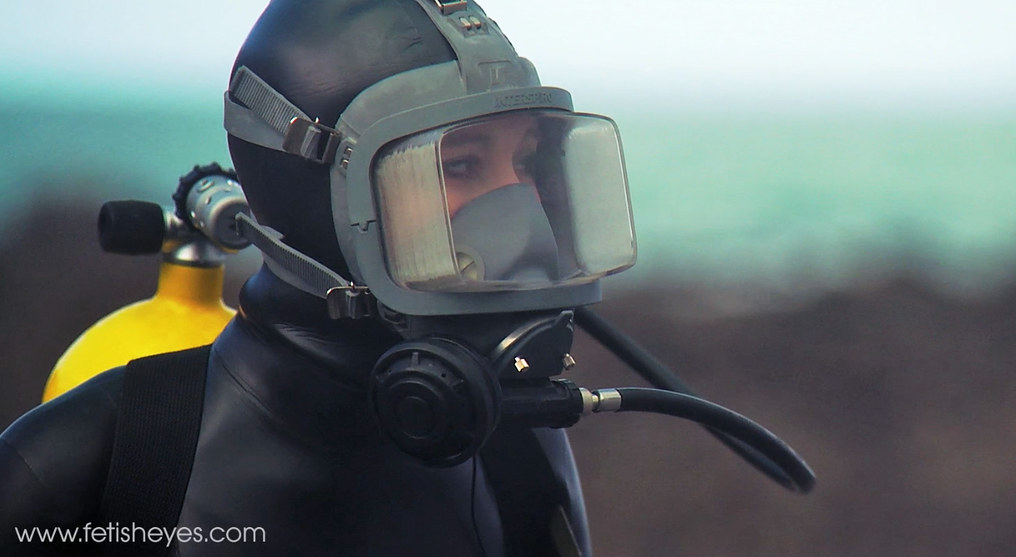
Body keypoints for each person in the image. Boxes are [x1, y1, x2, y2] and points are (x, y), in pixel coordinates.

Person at [0, 0, 638, 555]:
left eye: (527, 164)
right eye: (461, 165)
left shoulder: (513, 444)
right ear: (318, 193)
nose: (520, 207)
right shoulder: (98, 457)